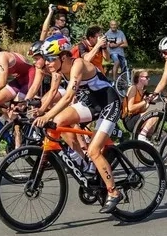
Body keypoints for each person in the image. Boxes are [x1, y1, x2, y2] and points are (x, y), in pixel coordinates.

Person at [33, 34, 124, 213]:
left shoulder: (78, 64)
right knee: (57, 123)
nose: (47, 63)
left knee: (94, 150)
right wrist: (42, 112)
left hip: (109, 102)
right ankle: (82, 162)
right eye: (46, 59)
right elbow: (52, 92)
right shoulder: (57, 71)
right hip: (91, 103)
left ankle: (113, 192)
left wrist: (47, 114)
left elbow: (67, 97)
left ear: (64, 57)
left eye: (51, 59)